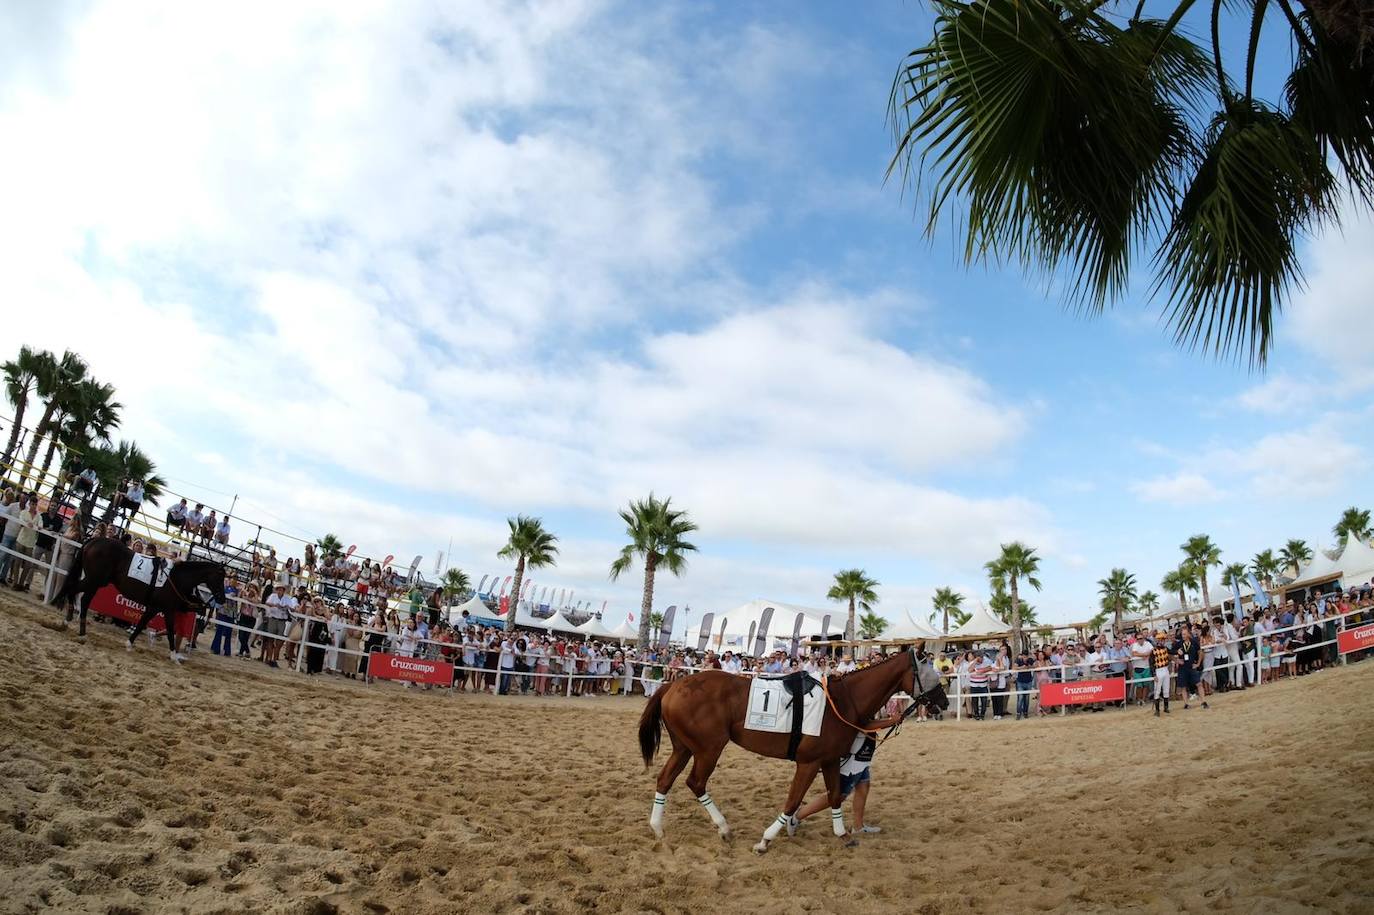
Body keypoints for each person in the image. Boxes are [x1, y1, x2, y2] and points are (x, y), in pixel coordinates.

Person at [792, 711, 903, 836]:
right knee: (838, 796)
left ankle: (858, 826)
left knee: (863, 786)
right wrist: (891, 721)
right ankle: (797, 816)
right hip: (853, 758)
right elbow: (862, 725)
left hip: (862, 754)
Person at [1172, 623, 1210, 710]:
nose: (1183, 636)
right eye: (1182, 634)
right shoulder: (1179, 644)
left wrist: (1198, 663)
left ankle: (1203, 701)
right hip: (1183, 668)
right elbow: (1170, 653)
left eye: (1184, 634)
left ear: (1188, 634)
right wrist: (1176, 660)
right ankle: (1186, 704)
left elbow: (1200, 651)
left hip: (1192, 666)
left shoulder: (1194, 642)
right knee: (1183, 686)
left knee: (1199, 684)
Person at [1149, 630, 1171, 716]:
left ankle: (1166, 707)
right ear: (1158, 640)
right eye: (1161, 639)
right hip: (1158, 671)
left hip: (1165, 669)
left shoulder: (1165, 648)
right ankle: (1157, 710)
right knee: (1157, 690)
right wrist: (1154, 674)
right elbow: (1151, 663)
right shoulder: (1153, 650)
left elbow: (1172, 651)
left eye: (1163, 639)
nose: (1163, 641)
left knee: (1166, 689)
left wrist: (1178, 651)